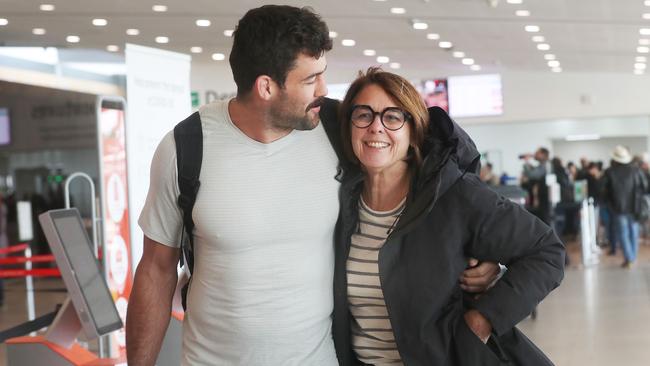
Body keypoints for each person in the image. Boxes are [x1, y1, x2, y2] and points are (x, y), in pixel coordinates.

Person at [126, 5, 499, 365]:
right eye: (310, 79)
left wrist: (477, 251)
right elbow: (157, 270)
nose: (323, 87)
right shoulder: (187, 147)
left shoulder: (340, 127)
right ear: (266, 87)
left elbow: (438, 168)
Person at [333, 68, 565, 365]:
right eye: (363, 115)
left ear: (413, 132)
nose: (376, 127)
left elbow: (546, 251)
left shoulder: (455, 195)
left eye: (392, 117)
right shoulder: (341, 203)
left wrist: (483, 319)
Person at [602, 146, 647, 268]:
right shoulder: (636, 170)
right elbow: (644, 187)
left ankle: (630, 258)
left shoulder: (609, 172)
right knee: (634, 233)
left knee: (623, 234)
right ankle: (632, 257)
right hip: (635, 207)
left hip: (618, 208)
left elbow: (604, 191)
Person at [520, 147, 551, 224]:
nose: (535, 155)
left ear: (543, 154)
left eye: (537, 153)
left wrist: (526, 162)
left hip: (544, 199)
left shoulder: (545, 165)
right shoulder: (543, 165)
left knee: (544, 220)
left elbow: (532, 175)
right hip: (543, 198)